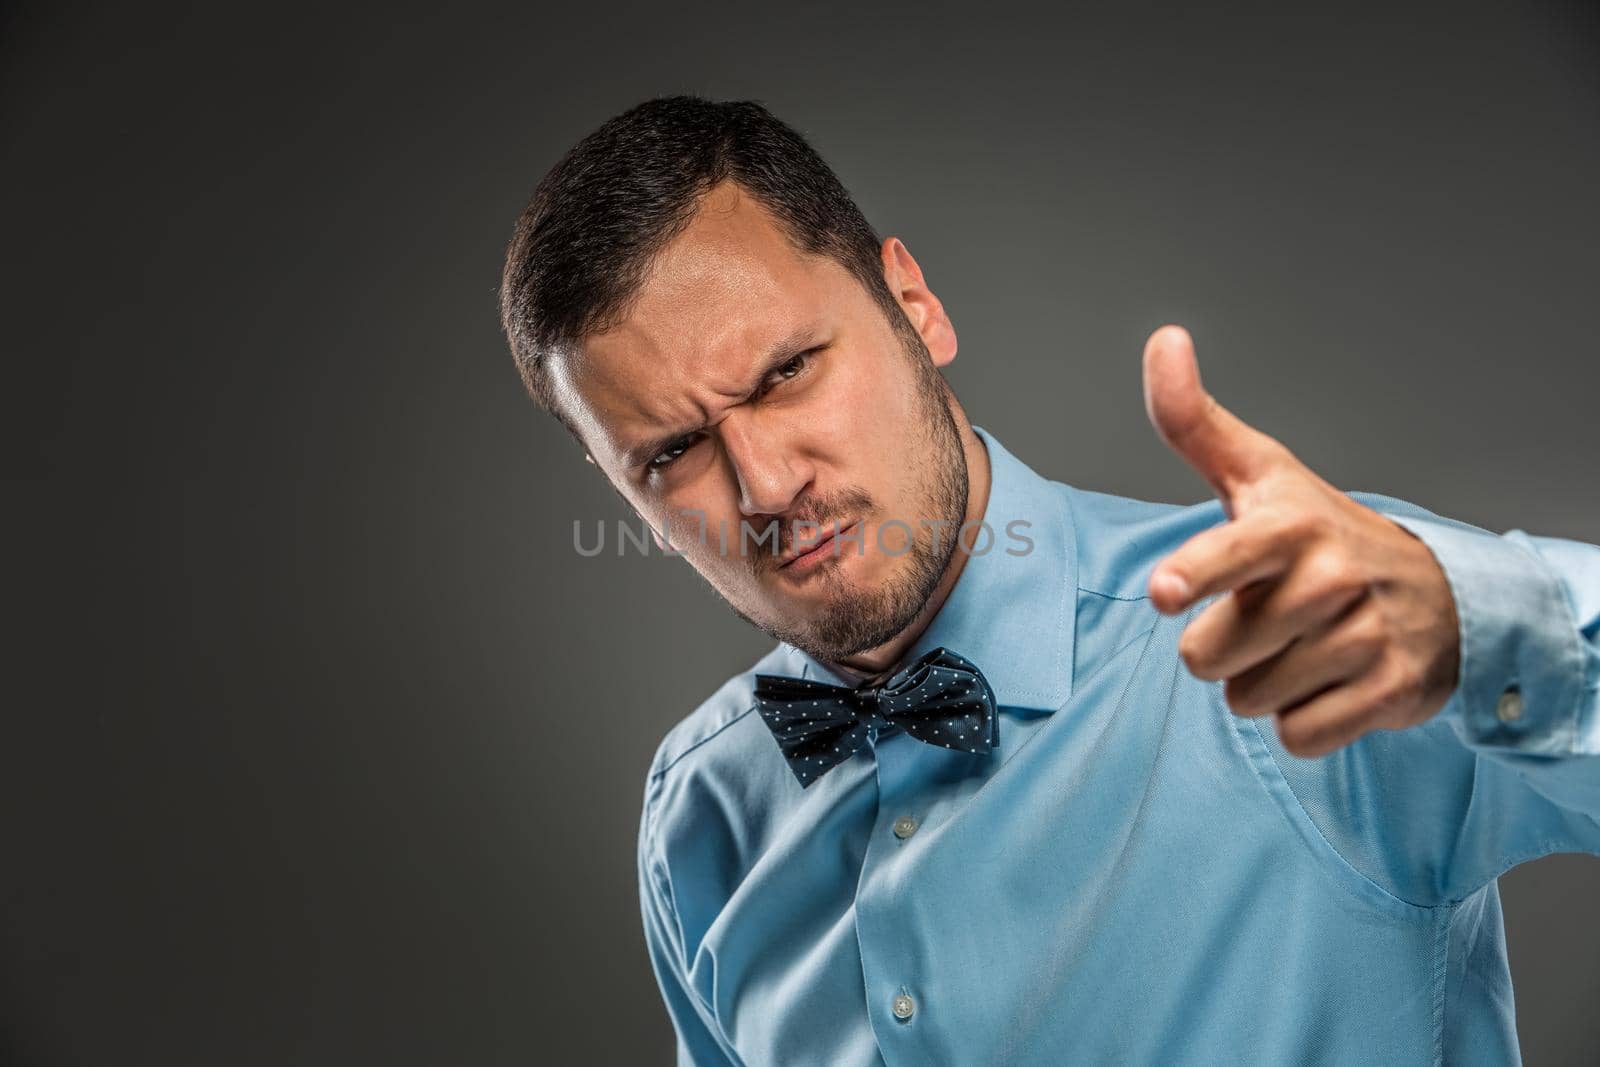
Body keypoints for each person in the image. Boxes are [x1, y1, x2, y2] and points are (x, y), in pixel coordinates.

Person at [497, 95, 1600, 1065]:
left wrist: (1485, 629)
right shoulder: (700, 809)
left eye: (786, 372)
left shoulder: (1304, 625)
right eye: (672, 453)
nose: (766, 482)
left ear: (912, 306)